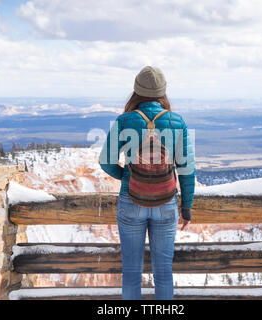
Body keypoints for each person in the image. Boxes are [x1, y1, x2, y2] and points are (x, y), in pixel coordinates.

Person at [99, 66, 195, 300]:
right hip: (166, 202)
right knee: (163, 272)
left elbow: (105, 161)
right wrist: (186, 207)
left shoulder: (124, 121)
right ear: (163, 93)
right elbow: (187, 169)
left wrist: (126, 176)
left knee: (131, 272)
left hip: (131, 199)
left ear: (136, 92)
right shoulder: (176, 121)